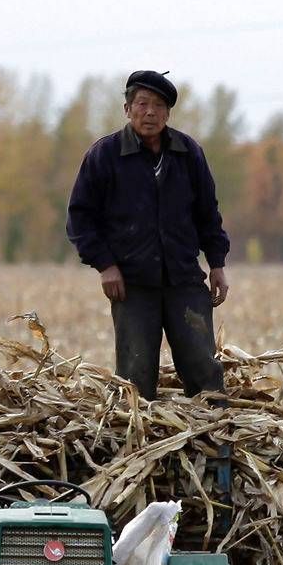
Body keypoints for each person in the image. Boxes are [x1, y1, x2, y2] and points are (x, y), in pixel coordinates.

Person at [66, 70, 230, 401]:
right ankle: (139, 450)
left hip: (184, 281)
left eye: (158, 105)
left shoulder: (189, 154)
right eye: (142, 104)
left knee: (205, 373)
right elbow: (80, 218)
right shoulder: (105, 156)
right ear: (127, 109)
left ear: (168, 113)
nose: (150, 112)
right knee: (135, 381)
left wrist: (216, 263)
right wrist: (105, 266)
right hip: (132, 286)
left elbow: (207, 214)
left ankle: (216, 450)